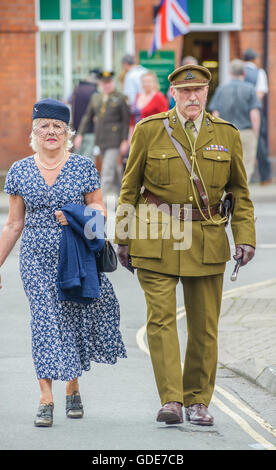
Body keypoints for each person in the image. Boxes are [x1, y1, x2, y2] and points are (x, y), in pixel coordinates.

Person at [114, 64, 256, 426]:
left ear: (207, 93)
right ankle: (172, 400)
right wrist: (123, 237)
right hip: (155, 237)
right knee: (160, 322)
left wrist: (245, 237)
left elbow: (239, 192)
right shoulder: (149, 130)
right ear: (173, 93)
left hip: (207, 240)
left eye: (199, 91)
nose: (192, 97)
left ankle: (198, 401)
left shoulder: (226, 133)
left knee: (204, 326)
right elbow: (129, 188)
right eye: (185, 91)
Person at [0, 98, 126, 427]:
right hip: (35, 261)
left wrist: (76, 217)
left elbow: (99, 216)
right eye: (45, 126)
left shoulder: (84, 167)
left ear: (68, 132)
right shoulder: (19, 171)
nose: (51, 132)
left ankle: (73, 387)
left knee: (69, 324)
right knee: (44, 324)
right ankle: (46, 397)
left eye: (58, 126)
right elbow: (13, 225)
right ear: (34, 130)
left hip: (75, 259)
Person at [74, 71, 131, 201]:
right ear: (100, 84)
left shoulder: (121, 98)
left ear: (113, 82)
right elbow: (87, 117)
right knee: (114, 172)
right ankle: (123, 199)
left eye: (109, 82)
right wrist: (80, 134)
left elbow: (125, 121)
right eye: (104, 83)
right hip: (101, 140)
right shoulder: (96, 97)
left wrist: (124, 140)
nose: (107, 85)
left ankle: (99, 203)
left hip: (115, 140)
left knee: (107, 172)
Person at [208, 59, 261, 183]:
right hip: (246, 132)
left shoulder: (221, 89)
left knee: (227, 165)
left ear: (230, 73)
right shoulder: (250, 89)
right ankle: (241, 196)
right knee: (246, 166)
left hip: (226, 133)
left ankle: (230, 196)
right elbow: (254, 115)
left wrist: (216, 134)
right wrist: (255, 134)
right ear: (244, 73)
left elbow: (215, 114)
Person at [243, 48, 272, 185]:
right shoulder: (259, 73)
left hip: (240, 110)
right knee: (259, 141)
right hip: (254, 109)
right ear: (254, 59)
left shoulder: (240, 71)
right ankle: (265, 177)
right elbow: (260, 94)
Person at [71, 68, 100, 160]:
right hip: (90, 131)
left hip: (76, 130)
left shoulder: (77, 89)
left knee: (76, 161)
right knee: (88, 162)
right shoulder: (95, 92)